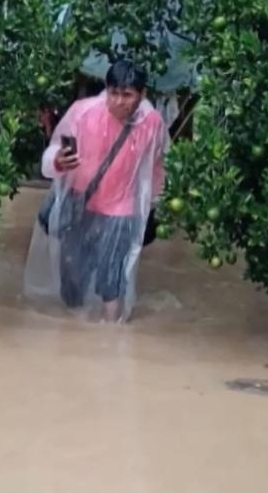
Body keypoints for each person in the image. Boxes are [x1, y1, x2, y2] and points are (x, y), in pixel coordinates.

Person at [23, 60, 168, 323]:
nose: (119, 101)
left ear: (142, 94)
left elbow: (155, 166)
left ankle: (109, 332)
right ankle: (74, 331)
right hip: (80, 200)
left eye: (127, 95)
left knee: (111, 275)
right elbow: (54, 152)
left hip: (122, 209)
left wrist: (154, 206)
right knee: (71, 276)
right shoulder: (83, 112)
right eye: (114, 92)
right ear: (107, 89)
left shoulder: (152, 123)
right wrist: (57, 161)